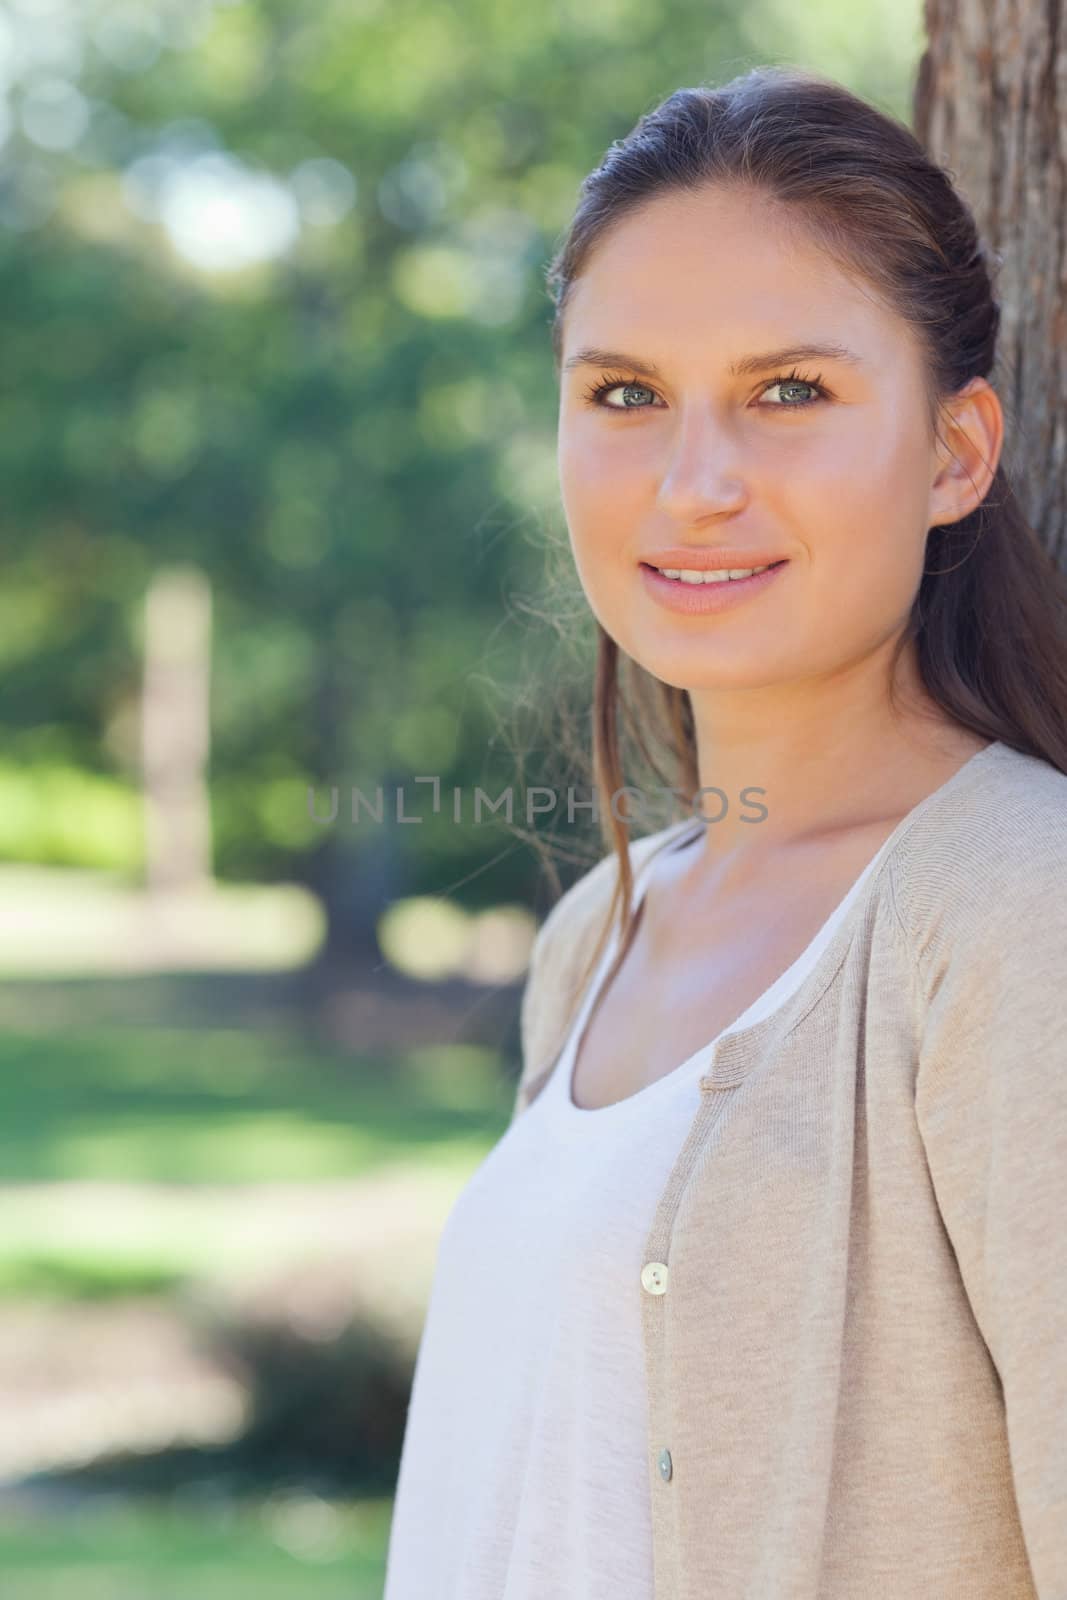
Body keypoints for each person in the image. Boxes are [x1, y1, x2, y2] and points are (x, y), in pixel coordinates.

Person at [383, 65, 1067, 1599]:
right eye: (626, 395)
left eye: (790, 392)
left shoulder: (1023, 913)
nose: (695, 485)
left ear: (958, 451)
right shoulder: (601, 937)